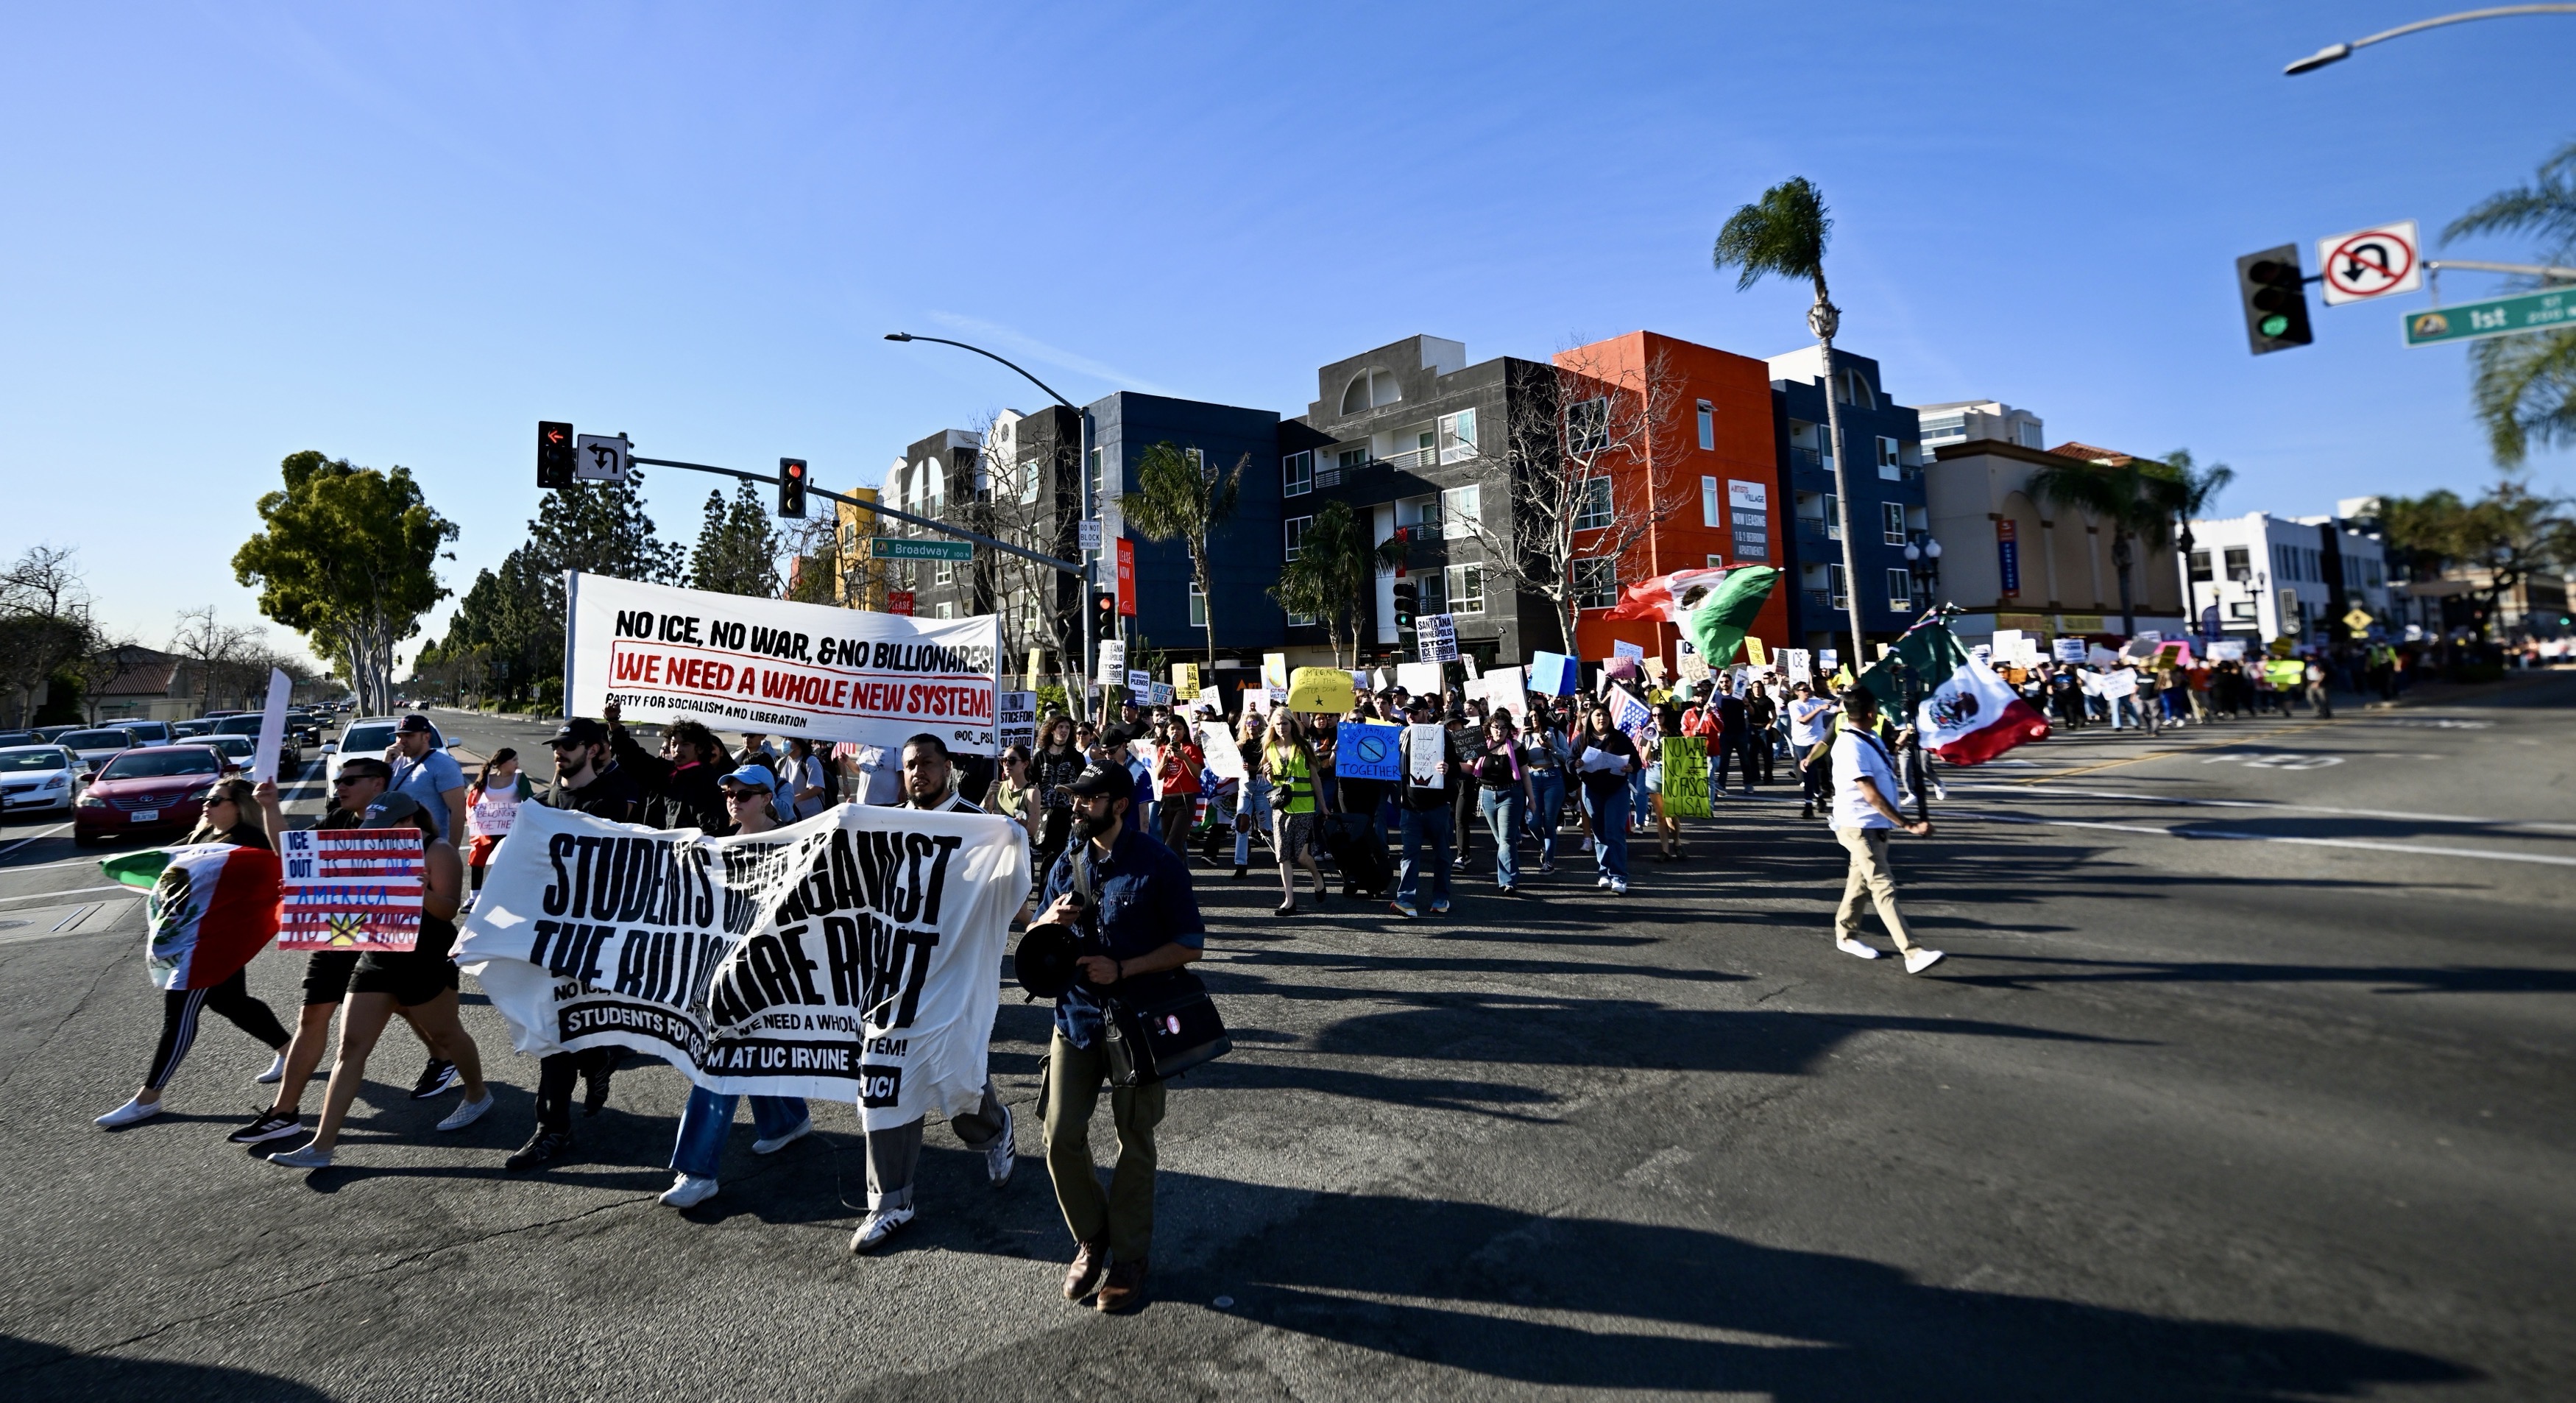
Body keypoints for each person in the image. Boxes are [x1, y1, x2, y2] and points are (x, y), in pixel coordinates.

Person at [1030, 762, 1206, 1313]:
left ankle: (1130, 1257)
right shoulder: (1069, 859)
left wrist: (1123, 970)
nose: (1078, 807)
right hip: (1076, 1019)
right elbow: (1034, 930)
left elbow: (1189, 944)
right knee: (1059, 1135)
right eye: (1075, 799)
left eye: (1089, 799)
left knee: (1135, 1140)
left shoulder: (1159, 864)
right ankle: (1091, 1236)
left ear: (1120, 805)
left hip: (1137, 1025)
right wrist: (1046, 923)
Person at [227, 757, 461, 1146]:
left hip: (383, 939)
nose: (340, 786)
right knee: (314, 1016)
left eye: (350, 780)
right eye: (338, 780)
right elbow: (294, 854)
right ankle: (284, 1112)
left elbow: (444, 903)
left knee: (407, 1007)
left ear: (378, 785)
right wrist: (269, 807)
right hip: (335, 935)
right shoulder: (338, 820)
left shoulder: (416, 838)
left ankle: (447, 1057)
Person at [846, 732, 1019, 1253]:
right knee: (882, 1085)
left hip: (952, 982)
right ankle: (892, 1202)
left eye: (925, 763)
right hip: (894, 981)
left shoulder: (979, 826)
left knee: (956, 1086)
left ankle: (994, 1129)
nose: (916, 773)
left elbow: (1009, 890)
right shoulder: (890, 823)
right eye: (908, 766)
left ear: (948, 766)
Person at [266, 792, 495, 1167]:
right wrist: (304, 894)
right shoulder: (367, 848)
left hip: (425, 958)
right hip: (377, 957)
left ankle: (477, 1093)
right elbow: (345, 900)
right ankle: (322, 1147)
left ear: (410, 822)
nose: (375, 835)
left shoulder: (437, 851)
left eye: (385, 827)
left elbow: (448, 910)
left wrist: (416, 890)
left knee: (446, 1034)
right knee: (352, 1047)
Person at [95, 777, 297, 1130]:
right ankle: (290, 1052)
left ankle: (148, 1099)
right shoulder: (204, 836)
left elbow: (283, 871)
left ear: (239, 806)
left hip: (213, 942)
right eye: (206, 798)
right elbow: (171, 867)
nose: (207, 804)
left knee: (180, 1011)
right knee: (230, 1002)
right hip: (196, 936)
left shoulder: (252, 842)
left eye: (216, 800)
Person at [658, 766, 815, 1209]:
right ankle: (787, 1121)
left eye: (745, 794)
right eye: (729, 792)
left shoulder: (795, 844)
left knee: (718, 1063)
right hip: (726, 971)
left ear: (768, 798)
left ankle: (698, 1170)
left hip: (771, 974)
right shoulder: (717, 844)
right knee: (750, 1052)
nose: (734, 799)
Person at [506, 718, 645, 1173]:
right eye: (556, 746)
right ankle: (555, 1125)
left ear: (593, 749)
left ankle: (593, 1066)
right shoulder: (545, 801)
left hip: (596, 937)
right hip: (551, 934)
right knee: (555, 1031)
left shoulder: (613, 801)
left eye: (568, 745)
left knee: (569, 1027)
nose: (558, 753)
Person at [1827, 690, 1944, 975]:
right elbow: (1870, 794)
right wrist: (1908, 824)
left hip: (1874, 825)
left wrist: (1900, 744)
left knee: (1860, 883)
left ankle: (1846, 935)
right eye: (1877, 706)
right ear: (1871, 712)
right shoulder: (1849, 745)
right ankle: (1912, 952)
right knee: (1882, 885)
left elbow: (1880, 766)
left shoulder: (1868, 738)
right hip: (1860, 826)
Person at [1260, 710, 1328, 916]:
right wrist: (1268, 775)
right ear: (1273, 726)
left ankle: (1317, 876)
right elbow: (1272, 781)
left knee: (1301, 856)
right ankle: (1289, 900)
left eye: (1285, 723)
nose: (1282, 727)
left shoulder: (1303, 746)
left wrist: (1323, 805)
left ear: (1293, 724)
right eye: (1278, 724)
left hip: (1304, 806)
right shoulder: (1270, 747)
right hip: (1281, 807)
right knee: (1282, 855)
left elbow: (1315, 777)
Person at [1392, 696, 1455, 917]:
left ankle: (1441, 899)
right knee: (1409, 855)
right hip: (1410, 807)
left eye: (1415, 712)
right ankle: (1406, 901)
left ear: (1426, 712)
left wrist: (1448, 768)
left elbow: (1458, 767)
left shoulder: (1442, 735)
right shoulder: (1402, 736)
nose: (1410, 715)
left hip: (1437, 807)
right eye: (1407, 711)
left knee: (1442, 856)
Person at [1574, 702, 1638, 895]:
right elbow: (1570, 761)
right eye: (1598, 715)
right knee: (1600, 833)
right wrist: (1575, 763)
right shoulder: (1581, 740)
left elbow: (1635, 759)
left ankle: (1619, 876)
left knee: (1615, 832)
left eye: (1605, 715)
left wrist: (1631, 767)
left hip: (1617, 790)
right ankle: (1605, 873)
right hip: (1592, 791)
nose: (1602, 718)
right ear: (1590, 719)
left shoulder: (1619, 738)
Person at [1472, 713, 1534, 894]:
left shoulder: (1516, 747)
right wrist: (1449, 765)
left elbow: (1524, 775)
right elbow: (1469, 767)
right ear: (1489, 728)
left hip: (1511, 794)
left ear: (1509, 729)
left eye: (1503, 727)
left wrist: (1532, 800)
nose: (1499, 731)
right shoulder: (1481, 746)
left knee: (1506, 841)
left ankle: (1508, 880)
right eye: (1496, 727)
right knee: (1501, 840)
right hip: (1488, 796)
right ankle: (1512, 860)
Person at [387, 713, 468, 845]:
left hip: (430, 846)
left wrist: (452, 851)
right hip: (396, 846)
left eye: (409, 736)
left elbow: (458, 810)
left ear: (426, 737)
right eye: (399, 736)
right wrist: (384, 764)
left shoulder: (443, 764)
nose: (402, 741)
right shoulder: (394, 761)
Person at [463, 749, 534, 892]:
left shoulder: (520, 778)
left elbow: (530, 800)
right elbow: (474, 801)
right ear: (503, 762)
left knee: (509, 860)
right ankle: (474, 896)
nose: (517, 763)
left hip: (511, 828)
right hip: (489, 828)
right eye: (514, 760)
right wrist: (473, 816)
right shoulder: (487, 779)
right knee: (478, 857)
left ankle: (508, 893)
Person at [1521, 707, 1569, 876]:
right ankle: (1544, 845)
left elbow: (1567, 756)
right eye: (1530, 716)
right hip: (1532, 778)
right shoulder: (1525, 736)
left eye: (1536, 715)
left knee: (1549, 823)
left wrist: (1552, 747)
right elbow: (1517, 757)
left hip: (1553, 778)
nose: (1533, 719)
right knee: (1533, 823)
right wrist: (1521, 736)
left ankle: (1549, 861)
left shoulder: (1554, 732)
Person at [1152, 717, 1203, 855]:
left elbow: (1197, 774)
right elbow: (1159, 776)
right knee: (1169, 845)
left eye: (1179, 728)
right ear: (1167, 732)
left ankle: (1176, 876)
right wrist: (1166, 757)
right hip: (1167, 800)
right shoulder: (1163, 749)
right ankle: (1180, 875)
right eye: (1172, 729)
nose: (1176, 731)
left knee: (1173, 843)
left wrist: (1184, 757)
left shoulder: (1191, 749)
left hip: (1185, 801)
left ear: (1185, 731)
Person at [1786, 682, 1836, 821]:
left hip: (1818, 742)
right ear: (1797, 692)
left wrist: (1846, 700)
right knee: (1809, 772)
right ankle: (1818, 797)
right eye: (1804, 690)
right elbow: (1803, 720)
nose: (1808, 691)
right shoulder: (1794, 705)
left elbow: (1836, 709)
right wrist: (1819, 709)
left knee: (1810, 771)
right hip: (1802, 743)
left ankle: (1808, 806)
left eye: (1809, 688)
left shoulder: (1817, 701)